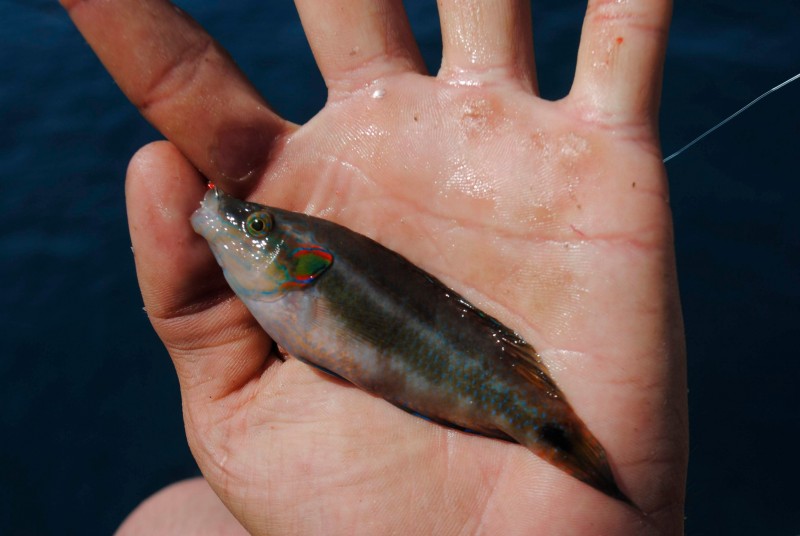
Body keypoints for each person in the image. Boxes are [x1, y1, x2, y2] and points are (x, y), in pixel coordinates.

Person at [61, 0, 687, 533]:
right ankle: (565, 447)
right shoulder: (293, 285)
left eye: (258, 228)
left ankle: (560, 441)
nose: (242, 224)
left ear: (304, 264)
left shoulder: (299, 284)